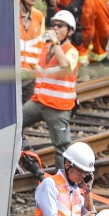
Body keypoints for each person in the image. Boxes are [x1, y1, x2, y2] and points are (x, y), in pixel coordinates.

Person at [23, 9, 79, 171]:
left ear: (70, 31)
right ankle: (25, 156)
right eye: (53, 25)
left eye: (60, 26)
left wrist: (55, 43)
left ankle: (62, 182)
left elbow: (64, 65)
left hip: (58, 107)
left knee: (62, 147)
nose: (55, 28)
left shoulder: (72, 52)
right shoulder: (46, 48)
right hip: (38, 102)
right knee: (14, 126)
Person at [19, 0, 48, 104]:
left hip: (31, 76)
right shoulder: (10, 14)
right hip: (13, 76)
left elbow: (41, 46)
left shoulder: (39, 16)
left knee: (27, 115)